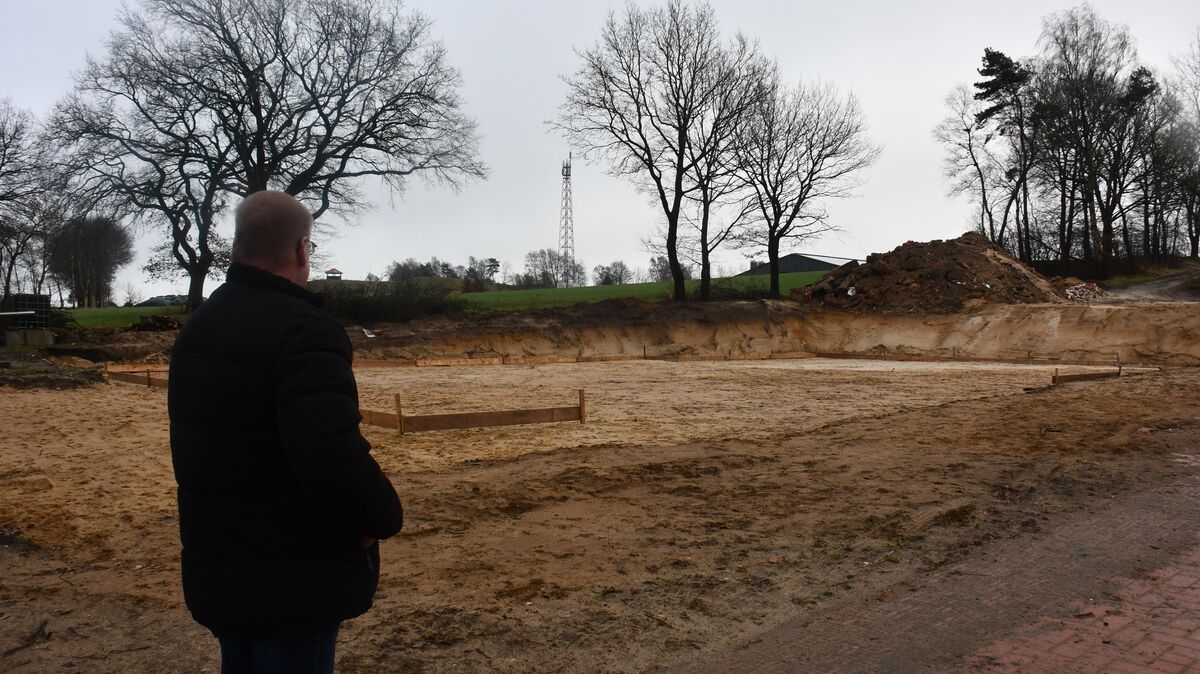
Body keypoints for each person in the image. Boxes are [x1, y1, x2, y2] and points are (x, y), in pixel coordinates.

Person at [168, 190, 404, 673]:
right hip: (295, 575)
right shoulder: (306, 330)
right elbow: (328, 454)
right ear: (302, 250)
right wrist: (383, 515)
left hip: (222, 565)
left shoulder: (200, 326)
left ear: (238, 246)